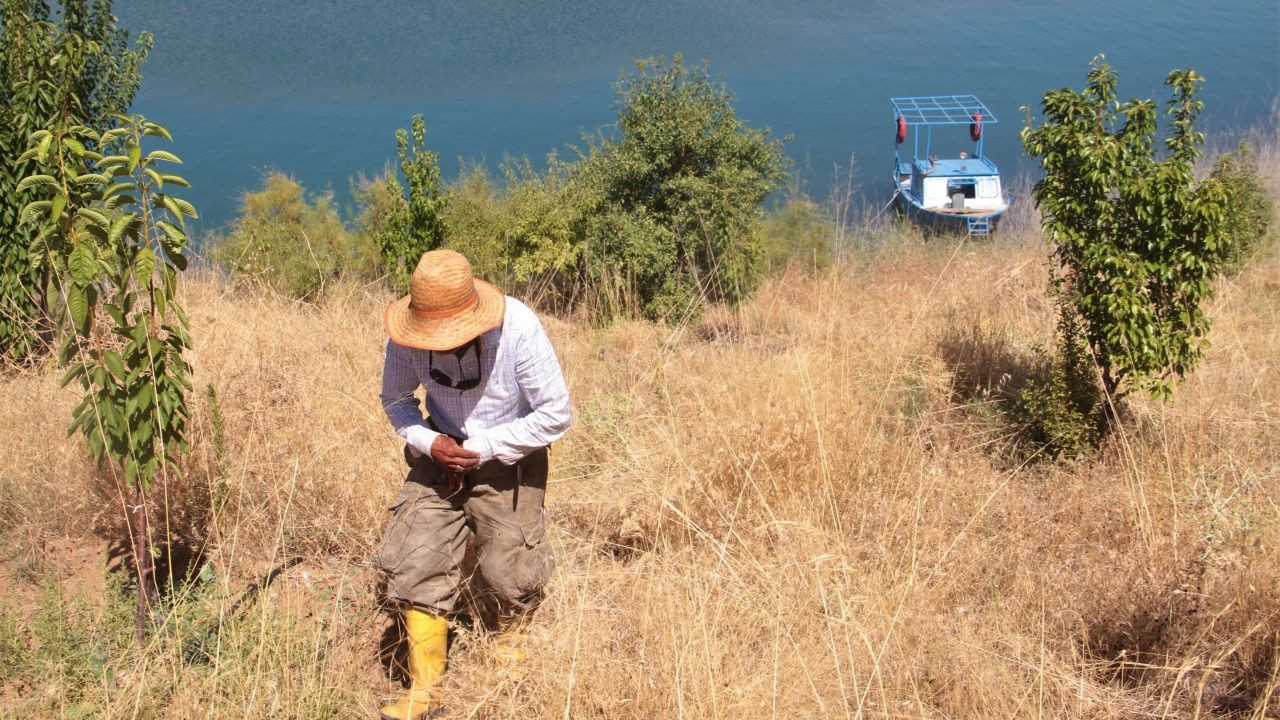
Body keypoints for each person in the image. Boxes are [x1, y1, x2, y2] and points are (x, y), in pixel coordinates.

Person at [377, 249, 573, 720]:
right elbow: (396, 401)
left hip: (509, 457)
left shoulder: (519, 328)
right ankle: (428, 690)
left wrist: (481, 449)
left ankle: (507, 663)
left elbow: (555, 414)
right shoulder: (408, 331)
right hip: (439, 455)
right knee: (412, 559)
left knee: (508, 572)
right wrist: (431, 442)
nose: (439, 342)